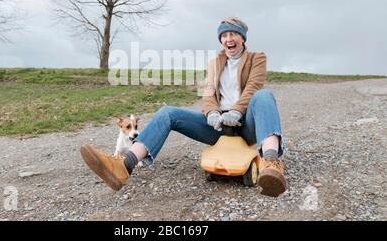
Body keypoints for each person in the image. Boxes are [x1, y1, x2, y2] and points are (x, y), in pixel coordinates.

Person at [80, 17, 287, 197]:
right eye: (224, 35)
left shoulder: (256, 58)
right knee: (168, 112)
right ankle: (123, 165)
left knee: (264, 95)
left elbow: (253, 87)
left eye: (234, 34)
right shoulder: (215, 62)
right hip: (219, 126)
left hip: (245, 124)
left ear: (243, 38)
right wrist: (213, 112)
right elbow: (208, 94)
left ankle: (270, 164)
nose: (228, 39)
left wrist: (237, 110)